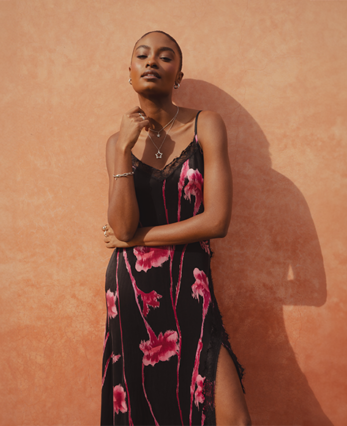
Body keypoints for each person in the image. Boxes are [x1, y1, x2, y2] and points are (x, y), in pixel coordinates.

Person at [100, 31, 252, 425]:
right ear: (129, 72)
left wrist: (137, 239)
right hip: (132, 290)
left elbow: (217, 221)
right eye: (142, 55)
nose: (152, 62)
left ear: (178, 75)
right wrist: (122, 151)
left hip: (190, 284)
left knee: (233, 417)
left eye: (165, 57)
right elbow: (121, 223)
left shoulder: (207, 126)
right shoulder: (117, 142)